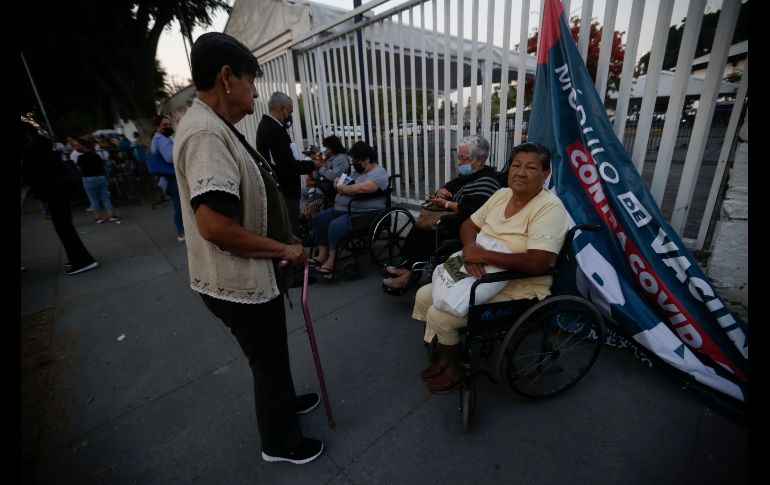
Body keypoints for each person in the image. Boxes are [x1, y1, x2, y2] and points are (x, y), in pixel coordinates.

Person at [173, 32, 323, 465]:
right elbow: (215, 226)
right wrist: (282, 247)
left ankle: (285, 403)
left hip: (251, 274)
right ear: (226, 77)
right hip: (237, 282)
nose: (255, 90)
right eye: (251, 79)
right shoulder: (205, 134)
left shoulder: (215, 125)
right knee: (268, 359)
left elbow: (244, 202)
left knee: (273, 352)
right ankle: (280, 443)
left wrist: (282, 237)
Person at [412, 142, 569, 393]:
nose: (520, 172)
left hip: (519, 284)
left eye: (530, 167)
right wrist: (472, 252)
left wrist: (483, 255)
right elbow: (468, 225)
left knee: (441, 316)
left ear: (545, 174)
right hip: (481, 270)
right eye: (516, 165)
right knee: (422, 295)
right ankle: (446, 356)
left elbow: (537, 262)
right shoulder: (501, 195)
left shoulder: (550, 209)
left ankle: (455, 370)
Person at [382, 135, 500, 295]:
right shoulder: (467, 176)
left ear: (478, 159)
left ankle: (408, 274)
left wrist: (445, 203)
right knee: (421, 225)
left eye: (463, 159)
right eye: (458, 158)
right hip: (452, 218)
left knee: (430, 231)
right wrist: (441, 193)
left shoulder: (488, 180)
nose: (459, 163)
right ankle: (405, 266)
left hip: (466, 224)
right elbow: (449, 188)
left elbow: (471, 210)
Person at [20, 121, 99, 275]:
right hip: (59, 189)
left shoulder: (32, 150)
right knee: (64, 226)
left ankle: (82, 260)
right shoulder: (41, 145)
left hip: (53, 190)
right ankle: (77, 257)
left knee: (63, 227)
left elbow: (32, 174)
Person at [310, 141, 389, 280]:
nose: (353, 163)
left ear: (366, 160)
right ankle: (322, 254)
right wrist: (336, 180)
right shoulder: (357, 172)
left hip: (364, 213)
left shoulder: (378, 172)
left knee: (335, 226)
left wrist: (343, 189)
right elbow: (344, 180)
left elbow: (365, 188)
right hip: (343, 209)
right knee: (319, 219)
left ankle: (331, 260)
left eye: (356, 161)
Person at [256, 91, 319, 236]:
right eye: (289, 111)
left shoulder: (267, 126)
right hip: (286, 191)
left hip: (283, 190)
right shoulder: (273, 129)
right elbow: (287, 166)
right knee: (290, 235)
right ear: (281, 108)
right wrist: (312, 165)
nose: (290, 115)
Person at [150, 114, 185, 242]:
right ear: (157, 127)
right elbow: (170, 158)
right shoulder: (162, 140)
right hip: (171, 177)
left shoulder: (160, 138)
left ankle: (182, 231)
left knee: (178, 204)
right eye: (165, 125)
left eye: (169, 124)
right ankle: (181, 232)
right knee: (180, 205)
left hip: (169, 177)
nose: (168, 127)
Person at [72, 138, 120, 224]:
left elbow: (79, 168)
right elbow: (102, 165)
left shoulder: (81, 157)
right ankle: (112, 215)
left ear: (84, 146)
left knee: (93, 199)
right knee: (105, 197)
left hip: (88, 178)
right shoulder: (96, 155)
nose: (76, 148)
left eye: (77, 145)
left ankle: (98, 217)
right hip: (101, 177)